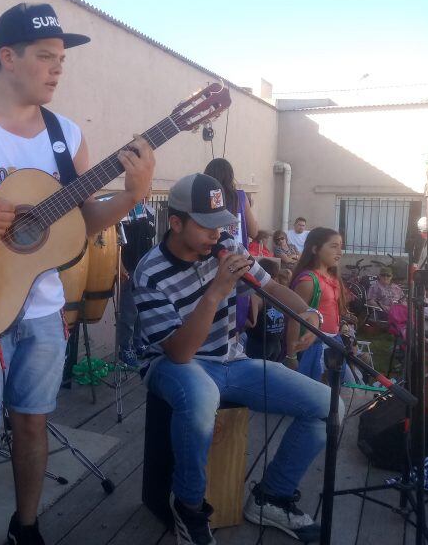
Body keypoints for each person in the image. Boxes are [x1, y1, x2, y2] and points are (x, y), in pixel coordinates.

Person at [0, 2, 155, 545]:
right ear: (7, 57)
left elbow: (82, 224)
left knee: (34, 422)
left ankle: (27, 525)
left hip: (40, 308)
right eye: (46, 56)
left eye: (61, 58)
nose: (58, 68)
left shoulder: (66, 137)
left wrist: (130, 196)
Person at [133, 173, 336, 545]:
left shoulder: (224, 243)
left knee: (325, 404)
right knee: (200, 398)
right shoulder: (149, 272)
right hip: (175, 365)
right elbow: (179, 351)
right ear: (175, 223)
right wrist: (217, 291)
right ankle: (190, 507)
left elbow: (270, 287)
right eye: (206, 226)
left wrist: (309, 315)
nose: (217, 234)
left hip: (231, 359)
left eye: (220, 225)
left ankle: (272, 497)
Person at [204, 157, 258, 335]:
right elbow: (254, 231)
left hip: (212, 260)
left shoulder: (207, 196)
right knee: (236, 316)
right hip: (239, 261)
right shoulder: (240, 197)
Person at [287, 227, 349, 382]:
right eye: (334, 246)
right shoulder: (308, 281)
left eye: (340, 247)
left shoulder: (333, 278)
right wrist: (291, 356)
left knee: (340, 388)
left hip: (334, 342)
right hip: (314, 347)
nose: (340, 252)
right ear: (315, 248)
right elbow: (294, 318)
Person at [117, 194, 157, 366]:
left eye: (148, 188)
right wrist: (121, 267)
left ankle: (138, 342)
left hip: (144, 267)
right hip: (130, 266)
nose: (145, 192)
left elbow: (150, 236)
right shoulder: (124, 210)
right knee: (129, 311)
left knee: (141, 310)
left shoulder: (150, 211)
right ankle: (124, 347)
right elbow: (119, 240)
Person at [246, 258, 286, 361]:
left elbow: (251, 322)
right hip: (276, 343)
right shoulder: (279, 295)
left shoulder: (257, 296)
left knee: (257, 375)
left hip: (259, 344)